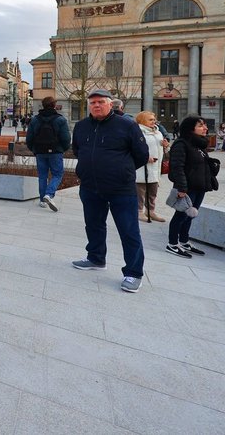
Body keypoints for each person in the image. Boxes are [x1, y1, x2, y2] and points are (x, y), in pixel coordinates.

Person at [70, 89, 149, 294]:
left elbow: (141, 155)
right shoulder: (81, 126)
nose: (96, 105)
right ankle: (96, 258)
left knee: (129, 231)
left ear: (110, 104)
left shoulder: (127, 125)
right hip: (90, 186)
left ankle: (133, 273)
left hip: (121, 189)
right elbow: (78, 150)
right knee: (94, 225)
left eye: (101, 102)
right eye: (93, 102)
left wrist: (122, 170)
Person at [166, 116, 218, 257]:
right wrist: (182, 188)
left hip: (199, 186)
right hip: (187, 187)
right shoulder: (181, 144)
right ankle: (172, 243)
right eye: (201, 126)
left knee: (190, 216)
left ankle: (184, 241)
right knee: (181, 215)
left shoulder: (199, 144)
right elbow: (177, 168)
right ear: (190, 128)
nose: (205, 128)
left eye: (205, 125)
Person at [25, 96, 71, 211]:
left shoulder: (35, 120)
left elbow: (29, 138)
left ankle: (42, 200)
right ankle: (49, 195)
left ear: (43, 105)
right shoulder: (60, 120)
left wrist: (34, 149)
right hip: (55, 151)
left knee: (42, 176)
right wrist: (62, 149)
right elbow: (66, 138)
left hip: (40, 151)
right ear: (54, 105)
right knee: (57, 174)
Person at [134, 111, 168, 222]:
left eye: (154, 119)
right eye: (150, 119)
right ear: (142, 120)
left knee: (153, 192)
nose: (153, 121)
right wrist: (145, 157)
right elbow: (133, 150)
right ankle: (139, 212)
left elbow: (162, 150)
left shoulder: (158, 132)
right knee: (140, 192)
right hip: (141, 168)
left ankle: (150, 211)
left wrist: (165, 146)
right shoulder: (137, 132)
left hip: (155, 167)